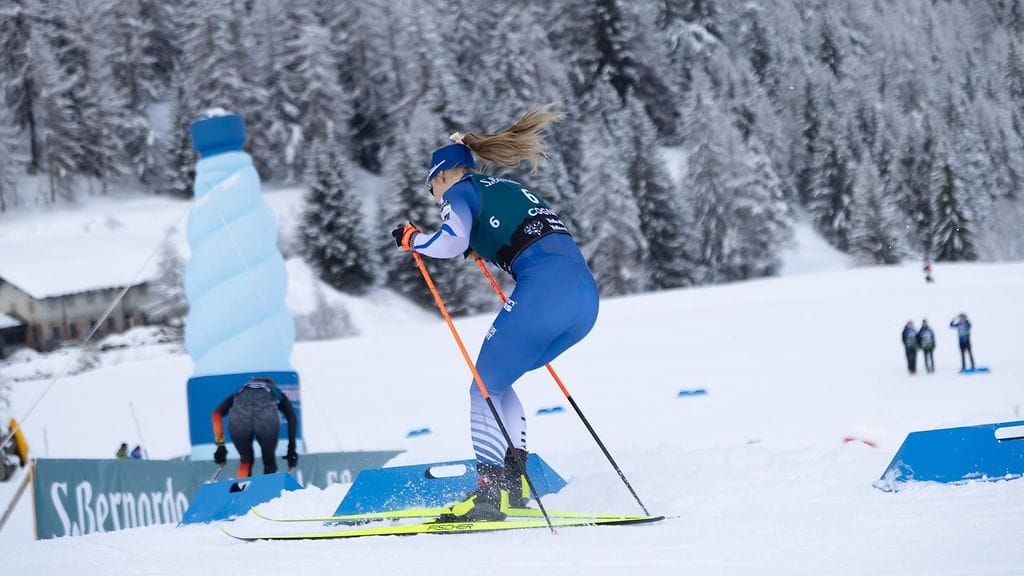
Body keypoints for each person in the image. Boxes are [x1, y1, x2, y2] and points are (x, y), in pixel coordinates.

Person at [391, 104, 598, 520]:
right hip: (584, 299)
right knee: (497, 384)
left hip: (545, 293)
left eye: (432, 188)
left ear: (444, 175)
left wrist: (413, 238)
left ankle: (490, 496)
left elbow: (449, 242)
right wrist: (480, 242)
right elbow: (518, 231)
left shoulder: (458, 191)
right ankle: (515, 486)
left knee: (481, 388)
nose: (436, 198)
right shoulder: (505, 187)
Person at [211, 376, 298, 478]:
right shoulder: (274, 390)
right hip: (266, 416)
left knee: (245, 460)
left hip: (239, 417)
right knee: (269, 460)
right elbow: (292, 418)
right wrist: (291, 449)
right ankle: (269, 491)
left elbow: (216, 414)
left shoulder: (241, 390)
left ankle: (242, 490)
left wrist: (220, 445)